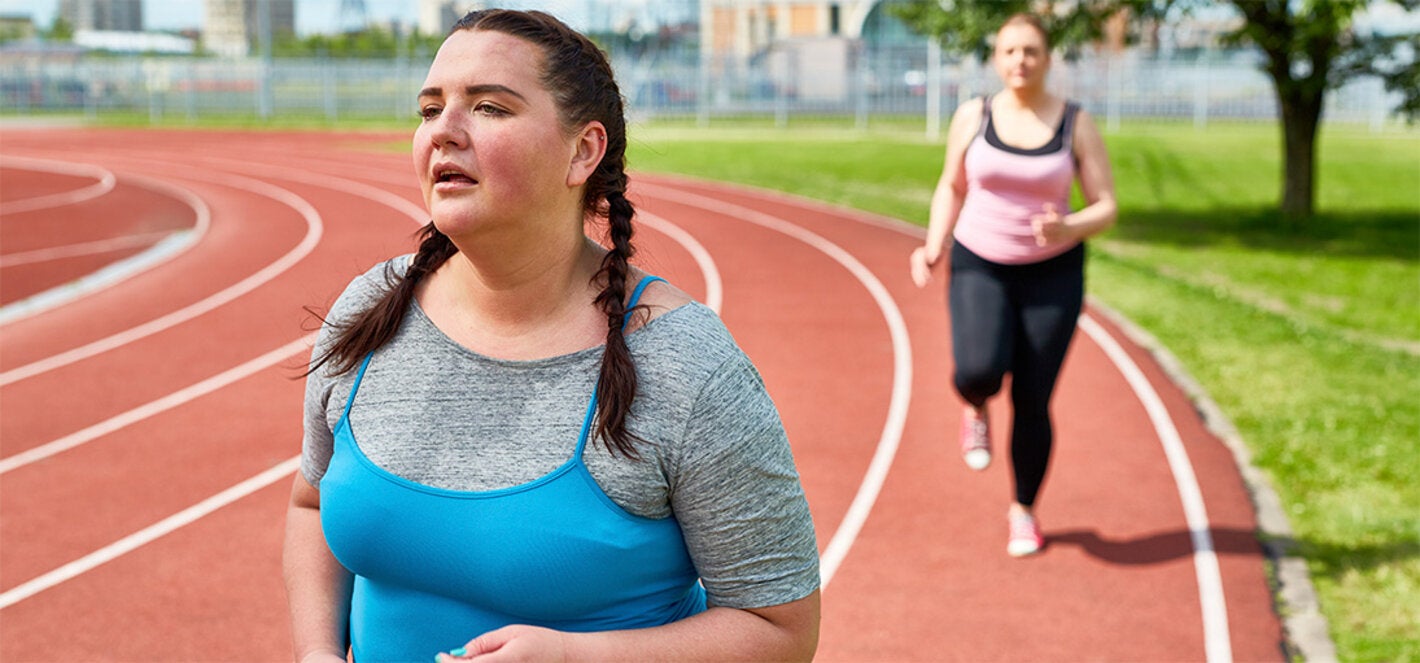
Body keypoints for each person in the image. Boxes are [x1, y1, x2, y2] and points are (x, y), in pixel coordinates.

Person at [282, 10, 820, 662]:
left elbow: (780, 630)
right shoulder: (372, 310)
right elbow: (312, 504)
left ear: (582, 151)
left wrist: (575, 658)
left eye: (488, 107)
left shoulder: (684, 365)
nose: (443, 132)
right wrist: (314, 650)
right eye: (429, 109)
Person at [908, 13, 1118, 558]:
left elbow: (1107, 205)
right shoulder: (973, 116)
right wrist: (935, 244)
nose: (1020, 61)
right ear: (997, 60)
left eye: (1030, 51)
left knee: (1032, 398)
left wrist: (1067, 226)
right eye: (1009, 52)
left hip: (1054, 274)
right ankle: (974, 406)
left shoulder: (1075, 122)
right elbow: (950, 186)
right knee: (977, 369)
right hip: (982, 260)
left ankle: (1023, 510)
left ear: (1048, 59)